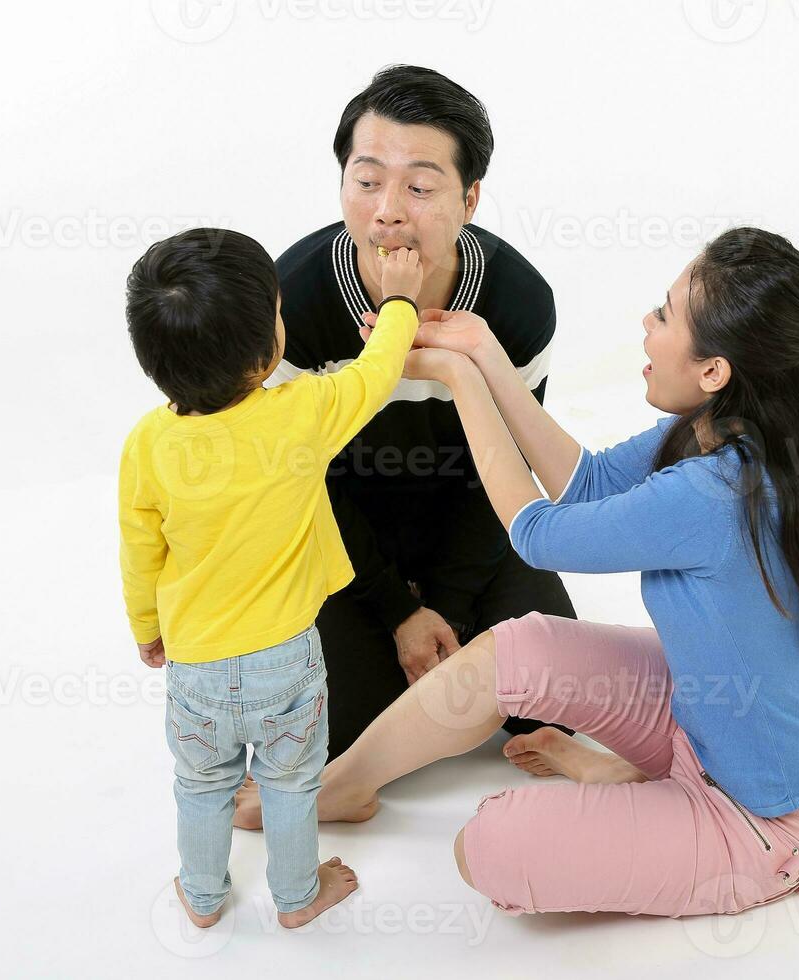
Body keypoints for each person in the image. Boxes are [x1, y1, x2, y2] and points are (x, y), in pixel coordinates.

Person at [315, 227, 799, 917]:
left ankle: (638, 784)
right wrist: (488, 355)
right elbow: (588, 483)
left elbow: (537, 533)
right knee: (523, 646)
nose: (647, 322)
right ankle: (342, 785)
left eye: (665, 314)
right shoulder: (721, 428)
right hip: (699, 715)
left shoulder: (719, 491)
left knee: (487, 847)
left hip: (761, 822)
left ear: (714, 371)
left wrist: (461, 381)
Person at [233, 64, 577, 828]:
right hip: (341, 543)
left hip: (472, 528)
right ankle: (395, 690)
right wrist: (396, 611)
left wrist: (448, 604)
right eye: (367, 181)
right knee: (338, 734)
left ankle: (456, 658)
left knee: (564, 698)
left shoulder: (517, 302)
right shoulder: (297, 300)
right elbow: (304, 487)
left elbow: (508, 476)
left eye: (420, 188)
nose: (388, 212)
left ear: (470, 198)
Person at [117, 228, 424, 928]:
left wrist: (147, 629)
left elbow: (139, 551)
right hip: (286, 660)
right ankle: (297, 896)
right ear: (265, 355)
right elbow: (377, 372)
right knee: (290, 785)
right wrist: (401, 301)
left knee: (200, 785)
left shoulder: (147, 445)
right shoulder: (301, 415)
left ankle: (200, 898)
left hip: (194, 664)